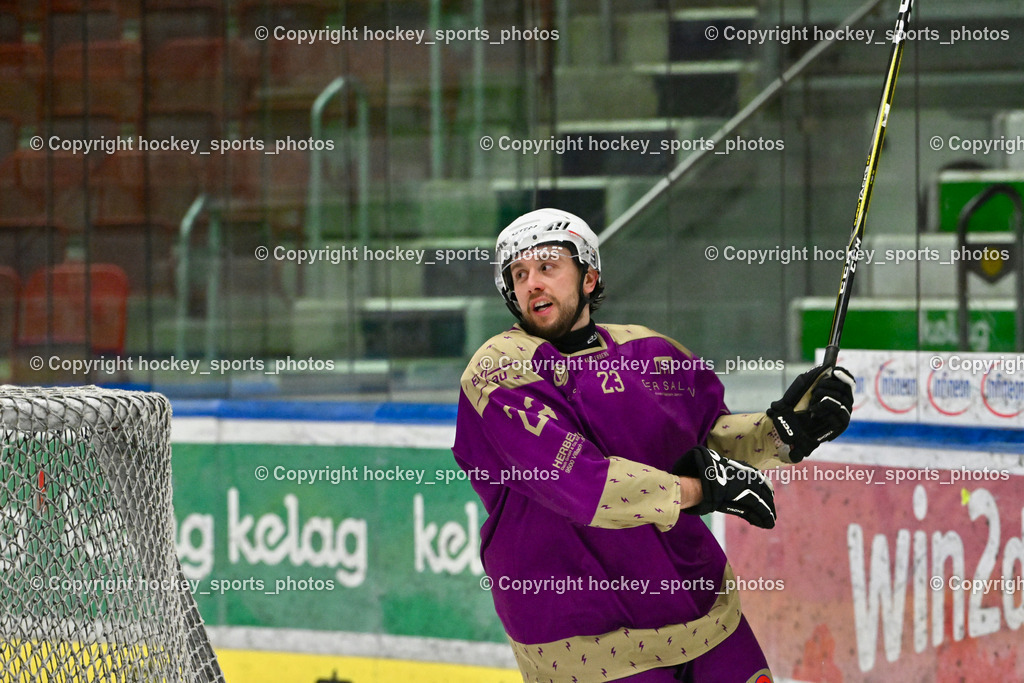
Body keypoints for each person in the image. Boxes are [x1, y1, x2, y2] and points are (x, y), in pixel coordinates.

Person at [452, 208, 854, 682]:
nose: (532, 282)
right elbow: (582, 483)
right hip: (587, 646)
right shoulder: (498, 370)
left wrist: (785, 428)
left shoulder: (651, 352)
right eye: (518, 275)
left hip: (703, 616)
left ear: (588, 276)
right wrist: (700, 490)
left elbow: (713, 436)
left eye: (547, 266)